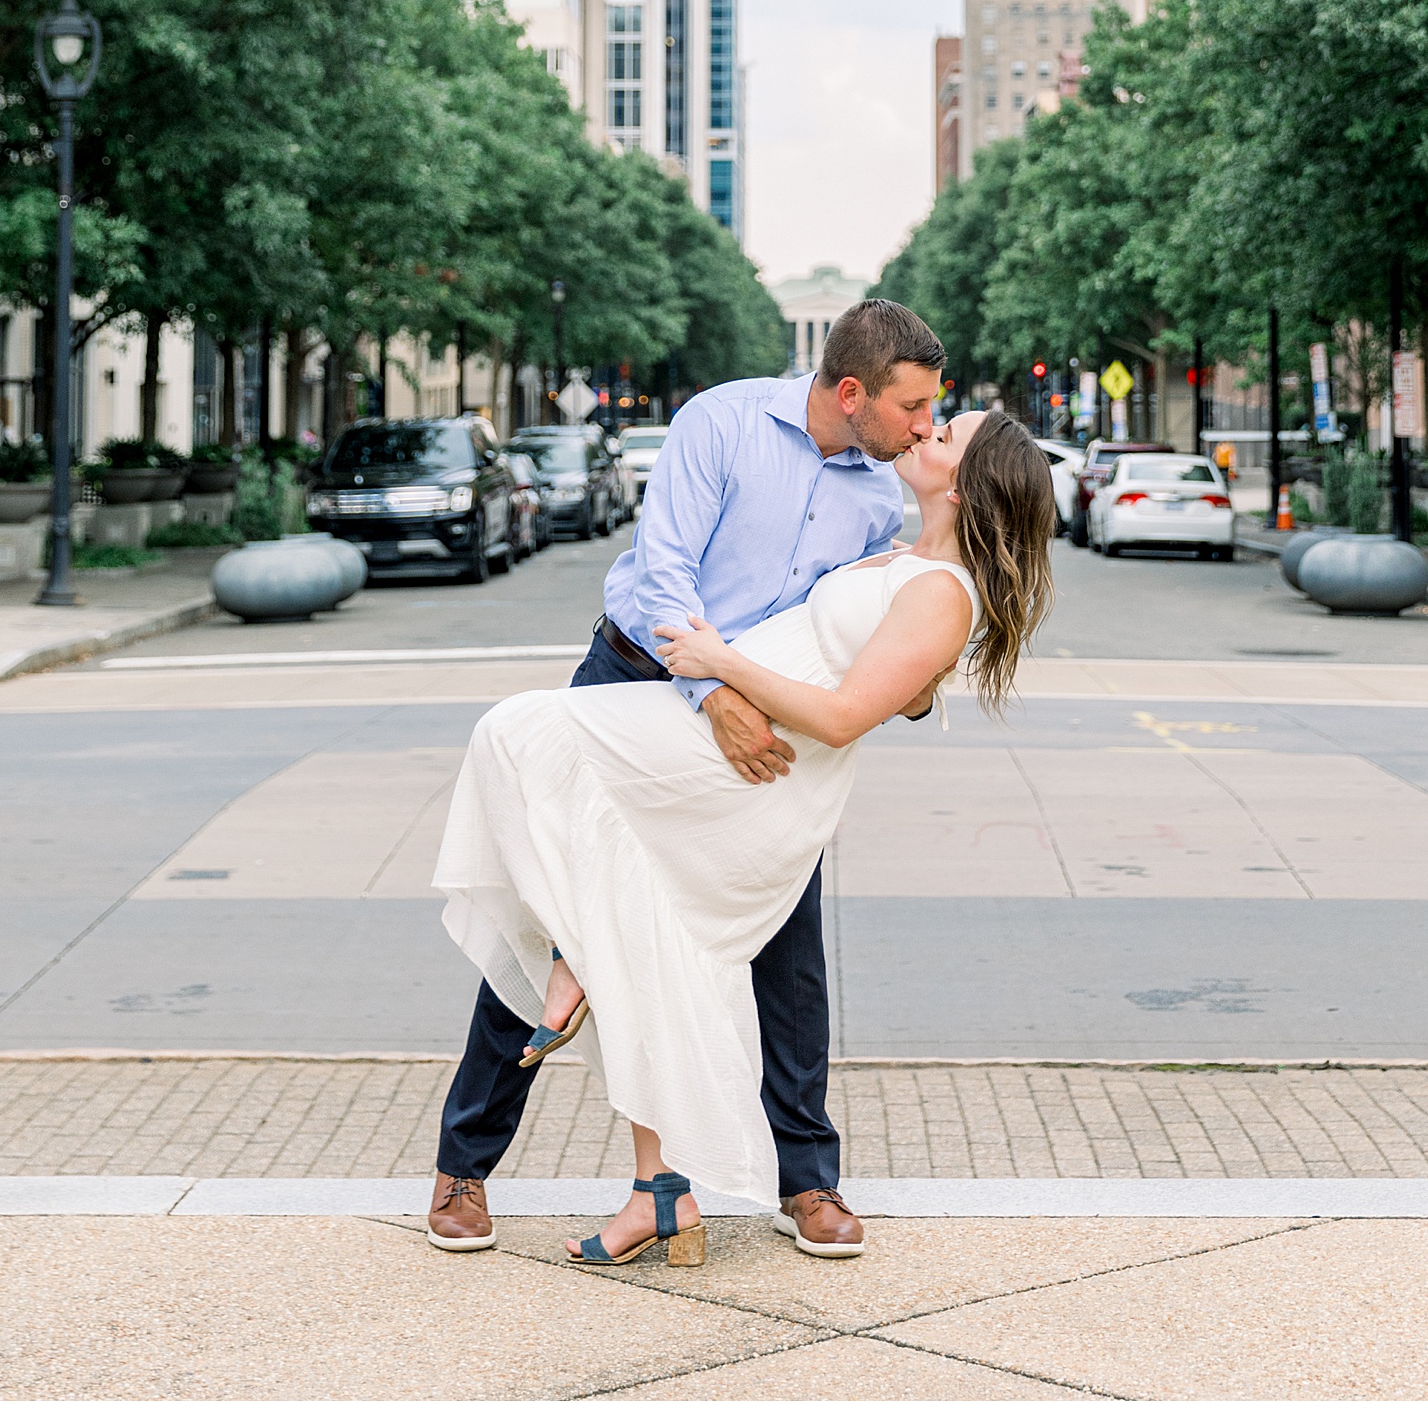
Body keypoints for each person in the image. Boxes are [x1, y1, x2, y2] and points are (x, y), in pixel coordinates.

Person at [431, 393, 1054, 1265]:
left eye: (941, 428)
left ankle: (800, 1179)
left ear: (971, 482)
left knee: (768, 965)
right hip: (658, 683)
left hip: (764, 761)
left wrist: (735, 670)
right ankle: (559, 1170)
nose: (922, 427)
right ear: (855, 391)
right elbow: (666, 571)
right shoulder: (731, 429)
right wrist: (716, 687)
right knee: (601, 898)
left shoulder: (894, 523)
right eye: (916, 408)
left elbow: (867, 697)